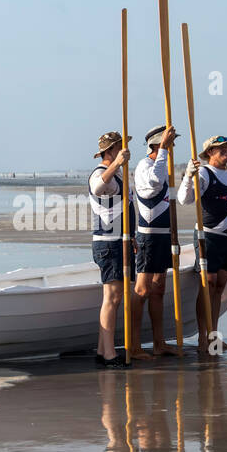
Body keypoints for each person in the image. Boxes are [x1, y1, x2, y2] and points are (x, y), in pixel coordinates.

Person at [179, 135, 227, 354]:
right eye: (220, 149)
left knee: (220, 287)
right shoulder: (204, 173)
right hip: (208, 236)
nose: (225, 151)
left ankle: (214, 336)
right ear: (209, 154)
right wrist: (189, 176)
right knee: (208, 285)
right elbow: (183, 199)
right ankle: (202, 338)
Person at [132, 124, 180, 357]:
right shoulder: (145, 165)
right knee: (142, 290)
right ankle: (134, 344)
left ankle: (159, 343)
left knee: (159, 289)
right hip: (148, 236)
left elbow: (169, 201)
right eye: (169, 142)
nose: (172, 147)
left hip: (163, 235)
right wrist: (162, 150)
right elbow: (152, 185)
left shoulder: (163, 165)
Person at [89, 131, 133, 368]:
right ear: (111, 151)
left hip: (119, 240)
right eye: (120, 148)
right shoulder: (100, 173)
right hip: (108, 242)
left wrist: (132, 236)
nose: (125, 151)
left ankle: (101, 350)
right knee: (112, 297)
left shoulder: (117, 174)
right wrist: (117, 163)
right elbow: (97, 187)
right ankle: (109, 355)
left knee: (112, 297)